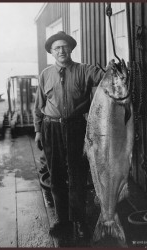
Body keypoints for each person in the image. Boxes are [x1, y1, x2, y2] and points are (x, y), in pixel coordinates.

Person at [34, 31, 105, 239]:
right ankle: (63, 220)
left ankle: (80, 220)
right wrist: (38, 131)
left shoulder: (84, 70)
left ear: (71, 49)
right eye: (57, 48)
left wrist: (111, 68)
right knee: (56, 175)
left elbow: (106, 77)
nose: (61, 51)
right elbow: (39, 106)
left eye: (65, 47)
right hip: (51, 128)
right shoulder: (45, 75)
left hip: (77, 128)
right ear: (51, 52)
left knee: (77, 176)